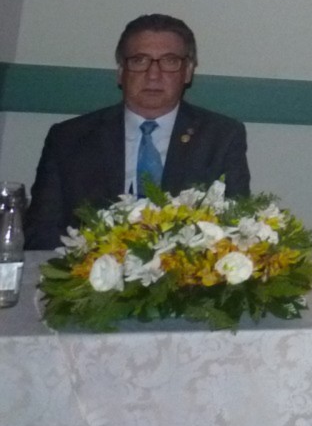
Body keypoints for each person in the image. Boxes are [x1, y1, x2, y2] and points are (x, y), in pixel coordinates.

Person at [25, 13, 251, 250]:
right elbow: (40, 231)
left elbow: (233, 228)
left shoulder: (221, 137)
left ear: (188, 72)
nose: (153, 75)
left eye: (170, 61)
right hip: (89, 266)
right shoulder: (69, 138)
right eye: (139, 60)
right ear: (121, 71)